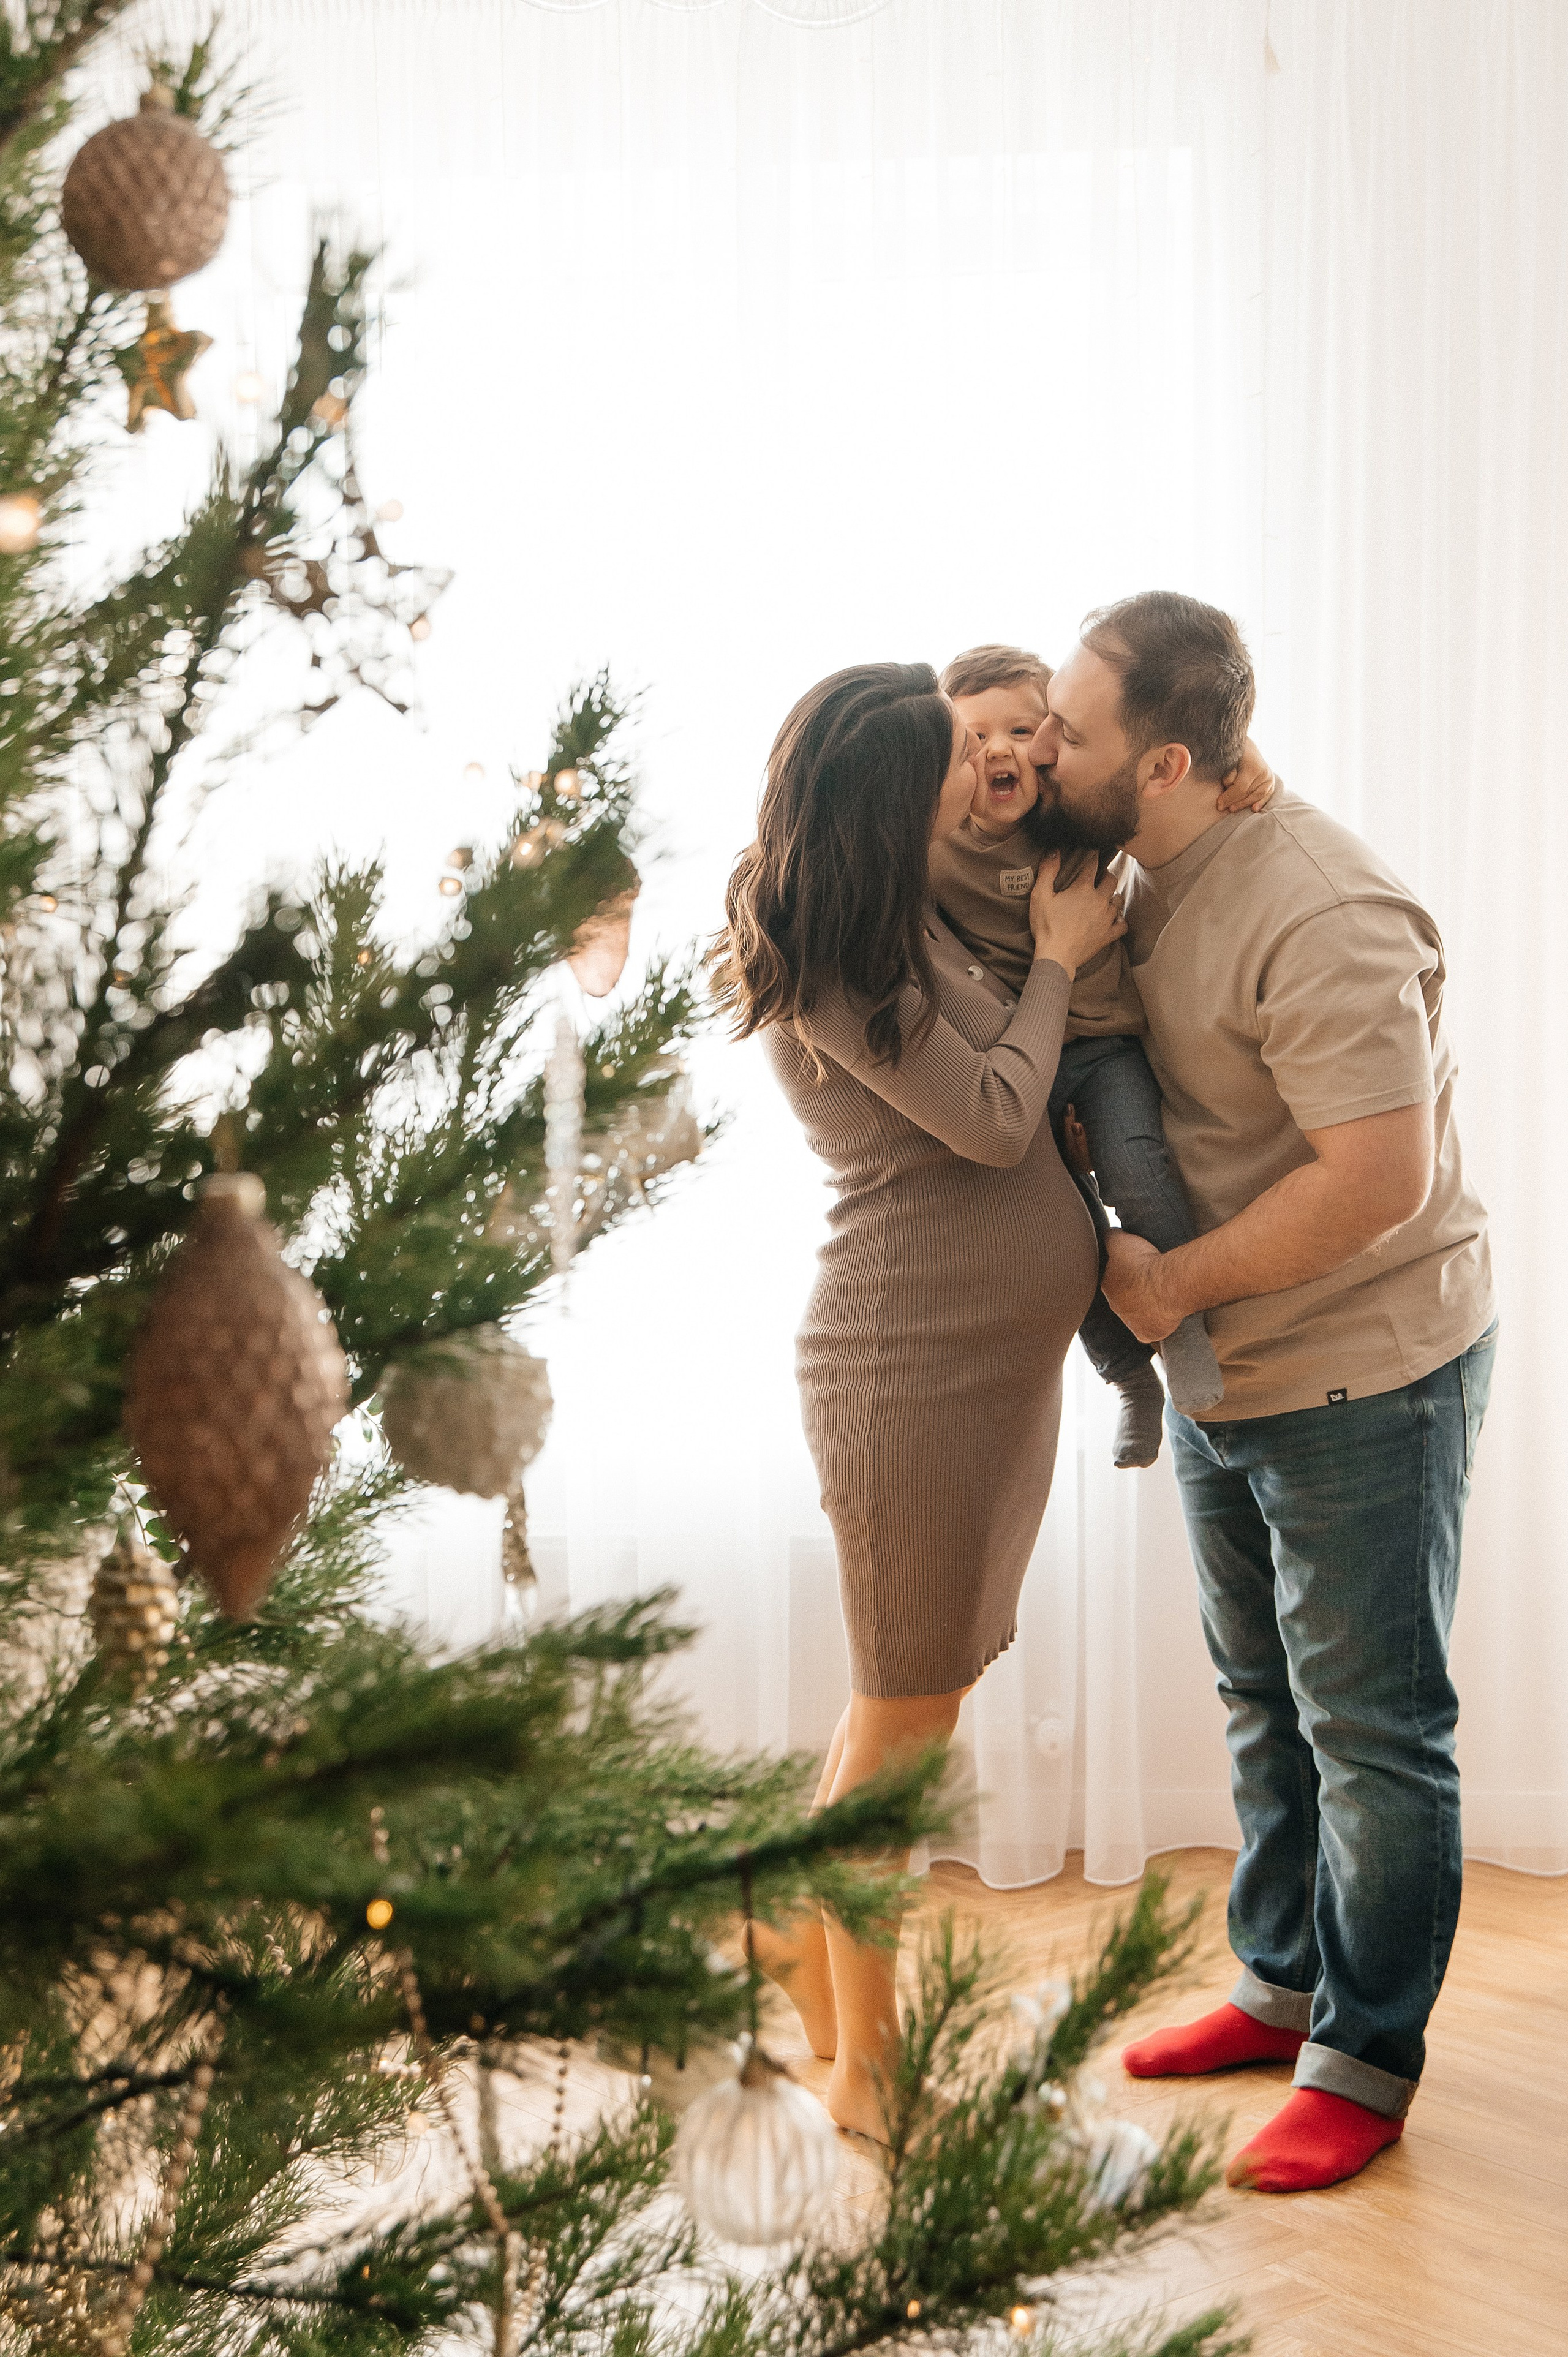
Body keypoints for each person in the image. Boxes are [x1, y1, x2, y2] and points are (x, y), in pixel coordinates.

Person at [1027, 590, 1496, 2195]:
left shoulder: (1323, 911)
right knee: (1262, 1696)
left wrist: (1170, 1287)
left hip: (1366, 1367)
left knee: (1373, 1726)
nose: (1042, 744)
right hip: (1231, 1364)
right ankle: (1279, 1984)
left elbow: (1380, 1176)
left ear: (1162, 764)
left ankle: (1364, 2058)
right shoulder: (1143, 874)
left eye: (1072, 730)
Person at [713, 661, 1122, 2141]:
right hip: (909, 1372)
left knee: (897, 1712)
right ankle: (869, 2079)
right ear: (894, 792)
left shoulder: (901, 918)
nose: (982, 769)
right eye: (955, 753)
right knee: (900, 1736)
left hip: (978, 1369)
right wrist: (1064, 962)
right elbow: (999, 1115)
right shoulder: (834, 957)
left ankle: (797, 1964)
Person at [930, 643, 1273, 1466]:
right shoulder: (932, 846)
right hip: (1022, 1066)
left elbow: (1165, 738)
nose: (1004, 750)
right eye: (976, 739)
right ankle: (1127, 1375)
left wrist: (1246, 755)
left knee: (1139, 1171)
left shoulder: (1071, 818)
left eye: (1024, 728)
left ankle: (1185, 1341)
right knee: (1064, 1227)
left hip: (1105, 1049)